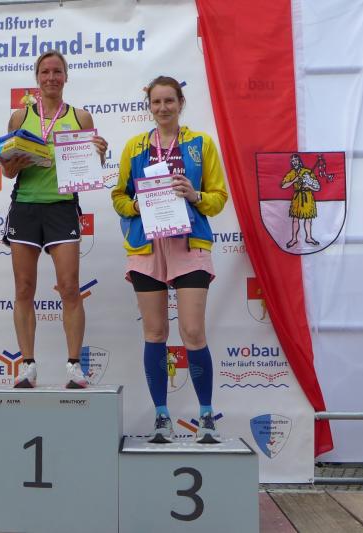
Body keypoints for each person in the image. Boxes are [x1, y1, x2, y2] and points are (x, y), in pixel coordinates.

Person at [111, 76, 228, 443]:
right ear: (149, 106)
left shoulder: (200, 144)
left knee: (192, 332)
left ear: (180, 103)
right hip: (146, 248)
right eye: (156, 102)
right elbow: (118, 197)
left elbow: (219, 197)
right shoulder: (134, 147)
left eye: (169, 101)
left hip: (188, 245)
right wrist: (136, 205)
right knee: (155, 333)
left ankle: (206, 417)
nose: (162, 108)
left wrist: (195, 195)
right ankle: (162, 417)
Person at [0, 50, 108, 389]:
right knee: (23, 288)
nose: (51, 77)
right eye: (45, 72)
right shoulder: (19, 117)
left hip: (62, 207)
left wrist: (100, 155)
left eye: (57, 71)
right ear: (37, 77)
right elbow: (7, 170)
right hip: (26, 206)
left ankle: (74, 366)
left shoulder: (81, 117)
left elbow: (89, 168)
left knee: (70, 287)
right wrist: (12, 164)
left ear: (66, 77)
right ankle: (28, 366)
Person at [281, 153, 320, 248]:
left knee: (308, 219)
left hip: (307, 196)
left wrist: (309, 186)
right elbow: (283, 185)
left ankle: (309, 238)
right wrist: (293, 180)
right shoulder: (291, 173)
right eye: (293, 161)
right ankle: (294, 239)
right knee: (295, 219)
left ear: (299, 161)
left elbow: (317, 187)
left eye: (296, 160)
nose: (294, 162)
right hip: (297, 197)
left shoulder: (307, 172)